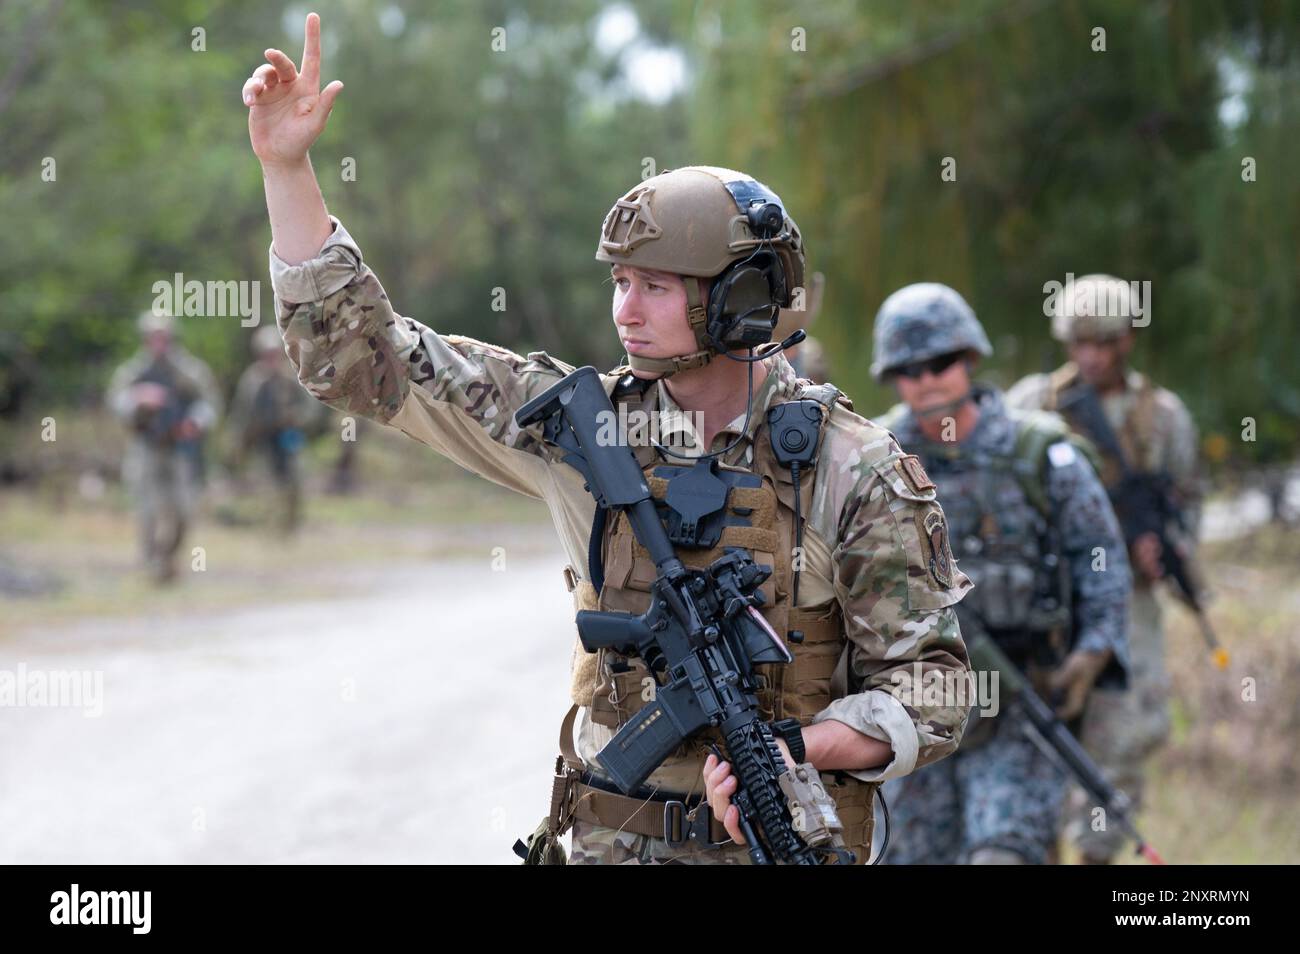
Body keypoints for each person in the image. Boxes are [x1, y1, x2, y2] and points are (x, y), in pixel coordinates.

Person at [243, 12, 973, 864]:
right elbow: (363, 356)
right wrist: (286, 169)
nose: (625, 308)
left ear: (740, 299)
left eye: (656, 286)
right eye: (621, 281)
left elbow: (933, 686)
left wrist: (797, 750)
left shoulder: (852, 466)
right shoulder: (576, 425)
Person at [869, 283, 1131, 864]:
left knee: (1004, 853)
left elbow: (1101, 560)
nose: (926, 379)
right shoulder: (871, 459)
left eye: (939, 362)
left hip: (1019, 700)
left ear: (969, 359)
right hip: (909, 707)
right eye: (908, 370)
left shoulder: (1039, 452)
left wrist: (1092, 653)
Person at [1006, 273, 1200, 864]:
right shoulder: (1032, 404)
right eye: (1079, 343)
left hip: (1127, 600)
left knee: (1123, 735)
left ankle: (1097, 853)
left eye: (1102, 342)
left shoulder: (1163, 418)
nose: (1090, 356)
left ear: (1126, 342)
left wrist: (1166, 553)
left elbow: (1188, 505)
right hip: (1044, 592)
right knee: (1032, 723)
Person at [106, 311, 221, 582]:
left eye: (163, 337)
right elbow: (116, 402)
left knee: (184, 510)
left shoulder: (189, 371)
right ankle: (151, 563)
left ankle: (169, 558)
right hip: (146, 446)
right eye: (153, 338)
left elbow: (209, 404)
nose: (158, 343)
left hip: (179, 448)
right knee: (147, 509)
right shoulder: (134, 372)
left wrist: (195, 422)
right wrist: (138, 400)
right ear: (145, 340)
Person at [227, 324, 323, 534]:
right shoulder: (252, 380)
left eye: (274, 353)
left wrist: (296, 419)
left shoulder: (293, 377)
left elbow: (312, 408)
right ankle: (272, 525)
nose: (271, 358)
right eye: (266, 354)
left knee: (295, 481)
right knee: (267, 484)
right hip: (262, 440)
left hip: (288, 437)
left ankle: (291, 524)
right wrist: (238, 443)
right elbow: (241, 413)